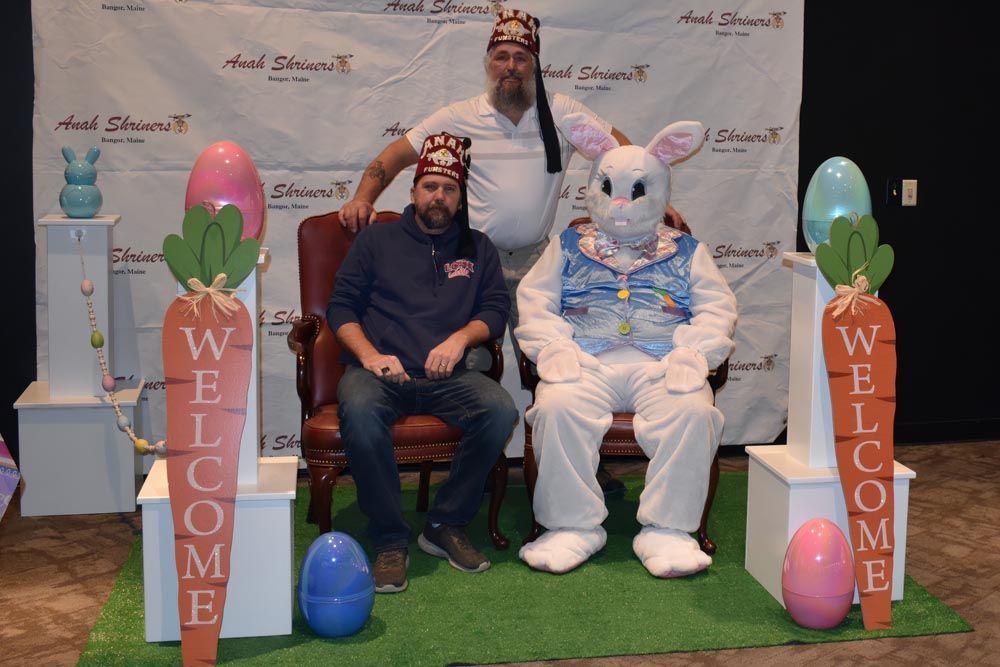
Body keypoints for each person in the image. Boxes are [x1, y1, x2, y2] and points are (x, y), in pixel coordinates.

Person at [339, 7, 679, 494]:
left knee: (562, 362)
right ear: (489, 63)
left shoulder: (562, 112)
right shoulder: (459, 116)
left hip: (540, 260)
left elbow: (621, 154)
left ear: (534, 64)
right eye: (502, 56)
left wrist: (654, 201)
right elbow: (393, 156)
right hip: (474, 262)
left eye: (521, 57)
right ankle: (475, 473)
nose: (511, 66)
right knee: (465, 369)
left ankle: (580, 467)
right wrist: (362, 198)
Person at [327, 132, 517, 593]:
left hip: (448, 377)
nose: (439, 196)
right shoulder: (376, 240)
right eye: (430, 186)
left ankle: (445, 523)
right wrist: (370, 356)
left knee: (499, 410)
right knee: (359, 409)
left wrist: (460, 339)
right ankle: (390, 539)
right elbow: (341, 307)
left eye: (449, 189)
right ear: (412, 192)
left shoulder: (478, 247)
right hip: (380, 374)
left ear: (460, 198)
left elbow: (495, 309)